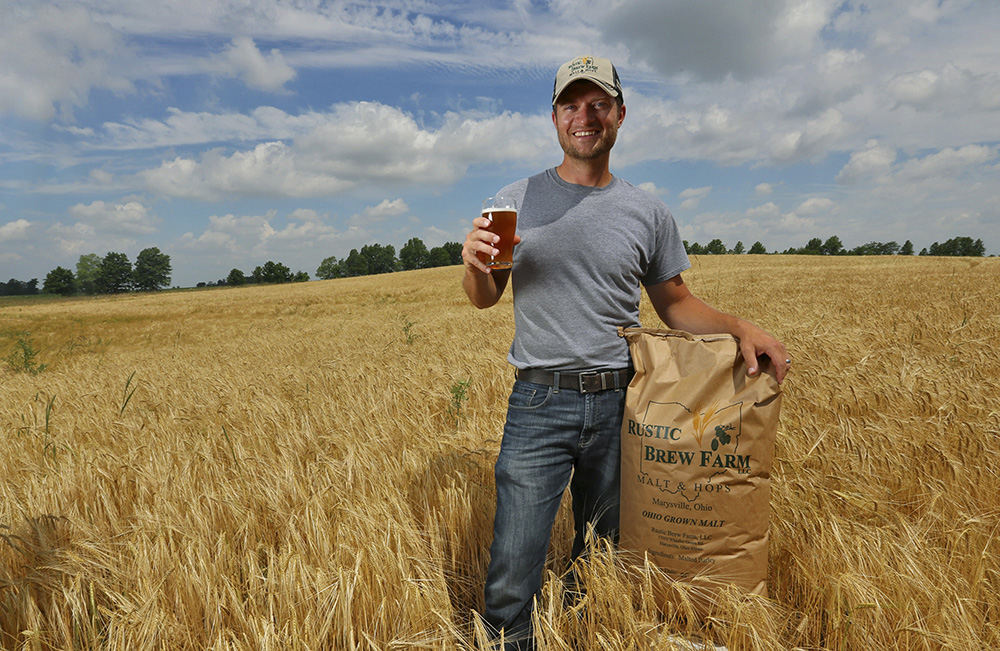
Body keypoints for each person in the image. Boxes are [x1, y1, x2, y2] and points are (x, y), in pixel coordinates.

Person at [461, 55, 790, 649]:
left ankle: (588, 636)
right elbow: (485, 296)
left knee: (603, 556)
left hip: (625, 402)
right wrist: (475, 265)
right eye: (571, 104)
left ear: (619, 115)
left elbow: (675, 303)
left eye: (598, 104)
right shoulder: (514, 199)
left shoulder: (648, 212)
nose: (583, 117)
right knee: (514, 564)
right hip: (539, 400)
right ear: (554, 116)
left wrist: (741, 327)